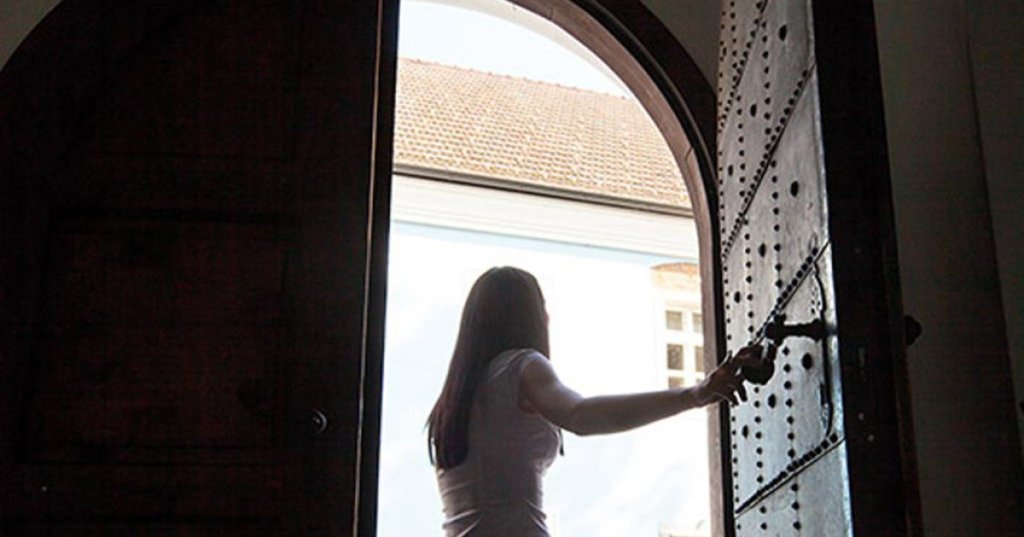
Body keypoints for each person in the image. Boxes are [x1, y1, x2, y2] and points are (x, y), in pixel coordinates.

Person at [427, 266, 766, 536]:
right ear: (530, 317)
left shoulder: (452, 403)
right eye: (542, 308)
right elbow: (580, 415)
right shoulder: (523, 365)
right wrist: (695, 394)